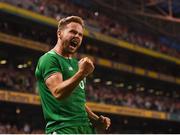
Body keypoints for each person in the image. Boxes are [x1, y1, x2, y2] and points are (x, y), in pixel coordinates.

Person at [35, 16, 111, 134]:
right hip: (63, 129)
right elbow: (57, 92)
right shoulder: (49, 59)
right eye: (73, 32)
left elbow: (77, 102)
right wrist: (82, 73)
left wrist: (96, 119)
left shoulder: (77, 64)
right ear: (59, 33)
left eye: (80, 34)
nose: (77, 36)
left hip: (85, 128)